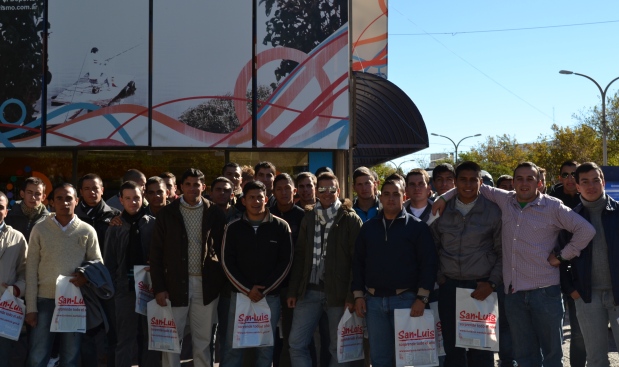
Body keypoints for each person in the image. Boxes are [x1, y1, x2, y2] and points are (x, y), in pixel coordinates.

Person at [433, 161, 595, 367]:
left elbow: (586, 231)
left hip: (545, 293)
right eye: (519, 178)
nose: (524, 183)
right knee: (525, 355)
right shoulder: (505, 199)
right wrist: (444, 196)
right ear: (514, 181)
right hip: (514, 294)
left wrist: (562, 256)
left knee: (552, 355)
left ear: (539, 182)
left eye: (530, 179)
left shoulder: (553, 206)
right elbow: (471, 184)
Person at [352, 178, 437, 366]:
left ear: (404, 196)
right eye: (387, 194)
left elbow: (428, 264)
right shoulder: (368, 228)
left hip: (406, 301)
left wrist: (422, 298)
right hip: (373, 303)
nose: (391, 198)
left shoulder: (417, 227)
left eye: (396, 194)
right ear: (380, 198)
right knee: (380, 359)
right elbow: (358, 263)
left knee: (408, 360)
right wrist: (358, 295)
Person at [149, 168, 226, 367]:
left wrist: (217, 280)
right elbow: (156, 254)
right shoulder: (167, 213)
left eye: (196, 184)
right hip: (174, 285)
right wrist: (159, 287)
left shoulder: (215, 213)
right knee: (171, 340)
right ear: (181, 187)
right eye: (188, 184)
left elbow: (223, 250)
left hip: (206, 286)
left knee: (203, 340)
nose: (192, 188)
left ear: (204, 187)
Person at [287, 172, 363, 367]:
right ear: (316, 192)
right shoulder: (309, 218)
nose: (327, 193)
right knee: (296, 343)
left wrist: (351, 295)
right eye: (322, 189)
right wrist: (294, 290)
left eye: (331, 189)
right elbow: (301, 255)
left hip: (338, 295)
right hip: (309, 291)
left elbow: (358, 261)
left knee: (338, 348)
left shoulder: (351, 219)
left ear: (338, 191)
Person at [431, 161, 501, 367]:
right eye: (463, 179)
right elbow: (431, 249)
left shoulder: (493, 211)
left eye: (473, 180)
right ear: (456, 182)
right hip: (449, 287)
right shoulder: (441, 209)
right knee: (453, 352)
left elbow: (502, 252)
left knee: (481, 351)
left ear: (480, 182)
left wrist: (492, 283)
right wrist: (441, 278)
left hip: (481, 288)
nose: (468, 184)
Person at [25, 183, 102, 367]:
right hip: (44, 300)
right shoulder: (40, 229)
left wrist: (86, 277)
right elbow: (30, 269)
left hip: (74, 302)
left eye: (69, 198)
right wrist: (31, 308)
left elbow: (98, 264)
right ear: (51, 202)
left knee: (70, 355)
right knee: (38, 355)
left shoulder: (87, 230)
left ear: (76, 201)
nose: (64, 202)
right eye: (59, 198)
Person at [221, 180, 293, 366]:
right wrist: (247, 289)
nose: (256, 201)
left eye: (260, 197)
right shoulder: (233, 227)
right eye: (251, 197)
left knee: (265, 349)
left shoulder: (281, 226)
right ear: (243, 201)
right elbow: (227, 263)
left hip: (269, 297)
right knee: (232, 348)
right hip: (240, 297)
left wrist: (264, 290)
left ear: (266, 199)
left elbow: (286, 262)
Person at [559, 162, 619, 367]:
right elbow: (560, 257)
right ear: (577, 186)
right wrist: (572, 290)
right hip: (587, 297)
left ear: (603, 182)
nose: (591, 185)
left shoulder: (618, 212)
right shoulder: (570, 218)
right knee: (595, 359)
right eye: (585, 181)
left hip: (618, 294)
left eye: (596, 180)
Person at [104, 181, 161, 367]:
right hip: (124, 290)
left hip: (150, 290)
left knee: (149, 339)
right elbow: (109, 261)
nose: (133, 202)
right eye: (127, 198)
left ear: (142, 196)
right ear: (121, 200)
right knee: (125, 339)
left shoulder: (153, 225)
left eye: (136, 197)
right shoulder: (115, 227)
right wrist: (115, 288)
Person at [75, 173, 121, 366]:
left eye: (96, 188)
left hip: (106, 281)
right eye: (87, 188)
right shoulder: (72, 216)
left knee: (112, 329)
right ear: (80, 192)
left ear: (103, 190)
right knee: (84, 330)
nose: (92, 192)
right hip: (80, 282)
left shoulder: (116, 216)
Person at [548, 160, 586, 367]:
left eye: (575, 174)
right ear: (560, 177)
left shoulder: (588, 200)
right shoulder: (549, 201)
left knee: (579, 333)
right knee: (552, 332)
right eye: (566, 174)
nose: (570, 179)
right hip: (549, 273)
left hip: (577, 276)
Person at [270, 173, 305, 367]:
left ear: (294, 191)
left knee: (292, 338)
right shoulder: (267, 214)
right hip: (271, 287)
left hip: (295, 288)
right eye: (279, 189)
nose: (284, 192)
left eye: (287, 188)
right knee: (271, 337)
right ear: (273, 192)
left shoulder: (303, 216)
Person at [0, 191, 28, 362]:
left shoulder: (17, 238)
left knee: (3, 357)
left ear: (6, 211)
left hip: (5, 308)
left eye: (0, 207)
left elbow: (25, 272)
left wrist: (16, 289)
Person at [6, 177, 49, 241]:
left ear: (43, 197)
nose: (33, 197)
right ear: (22, 194)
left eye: (37, 194)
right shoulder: (8, 216)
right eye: (29, 192)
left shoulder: (49, 220)